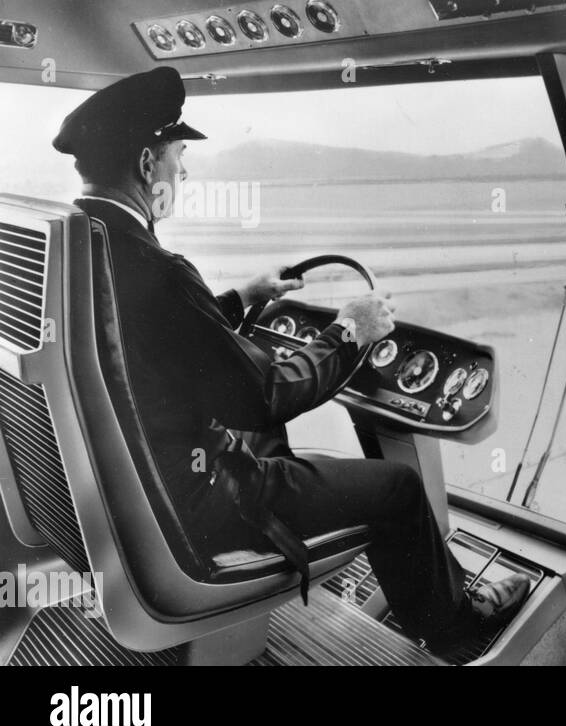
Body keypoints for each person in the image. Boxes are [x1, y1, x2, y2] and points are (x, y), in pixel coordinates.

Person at [52, 66, 528, 649]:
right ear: (147, 164)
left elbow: (145, 340)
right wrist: (350, 330)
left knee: (271, 441)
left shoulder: (79, 251)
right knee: (399, 488)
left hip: (119, 497)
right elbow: (264, 396)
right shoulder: (160, 270)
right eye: (179, 154)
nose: (185, 169)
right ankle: (455, 629)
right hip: (197, 507)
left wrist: (239, 299)